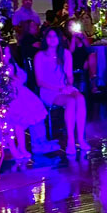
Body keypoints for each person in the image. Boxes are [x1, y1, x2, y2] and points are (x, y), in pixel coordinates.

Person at [34, 26, 87, 155]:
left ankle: (81, 138)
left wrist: (69, 85)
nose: (52, 39)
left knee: (80, 98)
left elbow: (69, 75)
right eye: (49, 36)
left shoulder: (66, 54)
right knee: (70, 101)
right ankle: (70, 140)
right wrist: (59, 88)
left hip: (63, 87)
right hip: (48, 90)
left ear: (59, 38)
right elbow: (39, 81)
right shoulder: (40, 56)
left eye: (55, 36)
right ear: (45, 39)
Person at [2, 45, 47, 165]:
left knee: (20, 123)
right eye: (3, 54)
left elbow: (22, 77)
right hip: (8, 97)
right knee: (12, 122)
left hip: (19, 95)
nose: (6, 56)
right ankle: (13, 148)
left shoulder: (13, 65)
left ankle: (22, 147)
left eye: (7, 53)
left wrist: (16, 78)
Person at [65, 19, 99, 93]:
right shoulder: (66, 39)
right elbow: (70, 53)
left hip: (85, 61)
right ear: (67, 28)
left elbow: (89, 49)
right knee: (91, 59)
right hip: (73, 62)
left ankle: (93, 84)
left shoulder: (81, 36)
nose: (72, 28)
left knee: (92, 56)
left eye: (74, 25)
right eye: (70, 26)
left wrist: (83, 38)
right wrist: (73, 39)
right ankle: (93, 85)